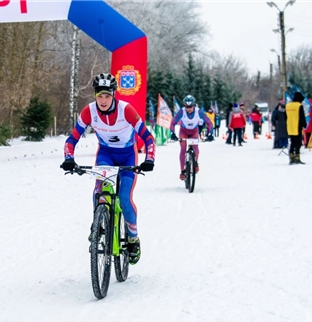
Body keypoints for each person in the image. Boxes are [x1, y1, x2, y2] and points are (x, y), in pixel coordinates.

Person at [60, 73, 155, 265]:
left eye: (107, 96)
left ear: (114, 95)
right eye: (99, 95)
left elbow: (148, 137)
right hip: (106, 155)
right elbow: (72, 139)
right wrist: (69, 158)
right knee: (99, 192)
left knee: (124, 198)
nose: (103, 100)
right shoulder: (89, 112)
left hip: (128, 155)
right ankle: (99, 225)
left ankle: (133, 237)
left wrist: (149, 159)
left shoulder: (126, 110)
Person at [170, 95, 214, 180]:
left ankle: (195, 163)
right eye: (187, 106)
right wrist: (172, 133)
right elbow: (173, 123)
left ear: (194, 105)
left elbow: (209, 123)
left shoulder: (199, 112)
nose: (188, 108)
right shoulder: (182, 112)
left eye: (190, 106)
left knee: (196, 149)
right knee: (183, 149)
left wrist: (210, 134)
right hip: (183, 131)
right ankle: (182, 171)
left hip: (194, 132)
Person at [286, 92, 307, 164]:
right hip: (297, 127)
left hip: (290, 127)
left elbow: (285, 117)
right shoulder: (299, 106)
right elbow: (302, 117)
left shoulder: (288, 106)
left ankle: (291, 158)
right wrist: (304, 124)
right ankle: (297, 158)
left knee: (292, 143)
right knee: (298, 143)